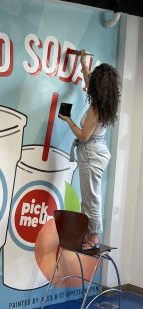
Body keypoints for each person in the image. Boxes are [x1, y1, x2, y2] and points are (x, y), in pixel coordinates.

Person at [58, 50, 120, 250]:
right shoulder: (105, 101)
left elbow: (83, 136)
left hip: (91, 152)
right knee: (90, 196)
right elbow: (88, 81)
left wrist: (68, 120)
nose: (90, 79)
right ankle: (90, 233)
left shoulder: (96, 109)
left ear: (98, 85)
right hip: (96, 151)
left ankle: (93, 237)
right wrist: (83, 64)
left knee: (91, 198)